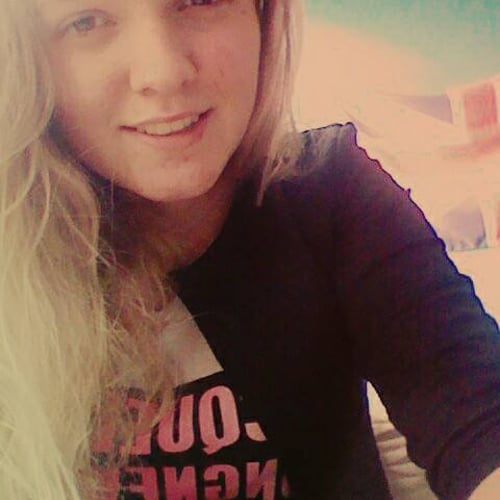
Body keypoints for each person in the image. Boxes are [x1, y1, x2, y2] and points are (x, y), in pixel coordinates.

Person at [1, 0, 500, 498]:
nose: (165, 72)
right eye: (86, 21)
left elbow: (476, 414)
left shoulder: (330, 191)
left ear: (264, 16)